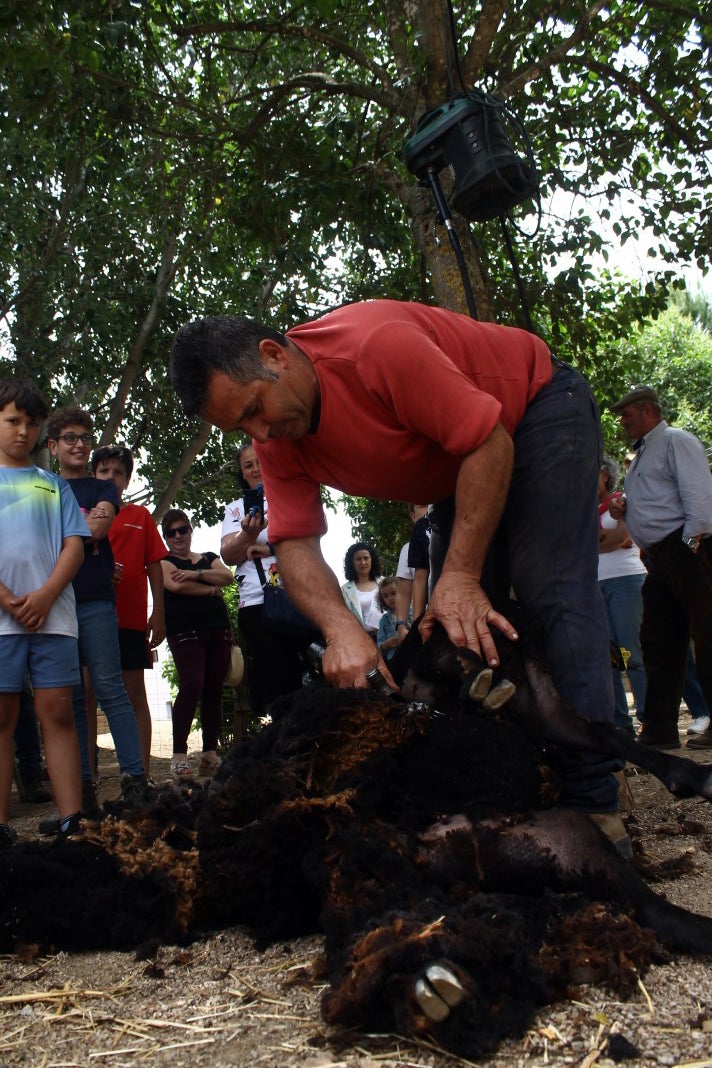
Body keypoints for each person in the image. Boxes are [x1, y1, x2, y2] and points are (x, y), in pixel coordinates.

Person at [169, 301, 620, 826]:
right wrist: (342, 631)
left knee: (550, 585)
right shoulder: (276, 439)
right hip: (461, 462)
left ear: (275, 355)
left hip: (537, 408)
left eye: (253, 409)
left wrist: (460, 575)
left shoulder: (376, 349)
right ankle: (533, 786)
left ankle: (593, 802)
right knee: (470, 625)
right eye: (243, 428)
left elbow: (488, 440)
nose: (261, 436)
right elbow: (293, 545)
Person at [46, 408, 149, 815]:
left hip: (94, 600)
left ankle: (135, 784)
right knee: (70, 699)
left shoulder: (103, 489)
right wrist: (81, 527)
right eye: (69, 437)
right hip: (52, 605)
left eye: (85, 437)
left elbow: (97, 531)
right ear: (52, 446)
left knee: (110, 689)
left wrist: (57, 530)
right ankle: (81, 796)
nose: (79, 444)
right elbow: (79, 532)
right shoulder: (41, 487)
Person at [0, 379, 86, 845]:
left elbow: (74, 545)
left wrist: (46, 596)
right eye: (12, 420)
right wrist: (8, 599)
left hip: (53, 617)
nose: (22, 431)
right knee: (2, 712)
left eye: (31, 423)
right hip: (1, 621)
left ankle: (72, 817)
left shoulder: (52, 485)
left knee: (56, 710)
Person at [610, 385, 712, 750]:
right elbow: (657, 499)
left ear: (648, 410)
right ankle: (659, 728)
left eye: (627, 414)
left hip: (686, 548)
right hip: (659, 555)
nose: (622, 421)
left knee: (707, 634)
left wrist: (690, 548)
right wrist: (625, 507)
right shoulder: (641, 455)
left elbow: (699, 497)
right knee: (658, 640)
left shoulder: (675, 440)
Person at [90, 445, 167, 775]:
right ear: (93, 475)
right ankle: (87, 781)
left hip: (131, 621)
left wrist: (160, 613)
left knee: (135, 694)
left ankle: (141, 777)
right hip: (89, 617)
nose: (110, 477)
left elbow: (154, 565)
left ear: (127, 479)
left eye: (118, 472)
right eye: (104, 471)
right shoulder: (80, 514)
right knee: (87, 697)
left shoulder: (140, 516)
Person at [220, 444, 306, 717]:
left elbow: (310, 539)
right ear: (242, 474)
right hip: (258, 603)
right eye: (248, 465)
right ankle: (285, 746)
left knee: (308, 673)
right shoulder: (235, 510)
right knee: (277, 679)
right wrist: (247, 535)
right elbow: (228, 554)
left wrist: (270, 548)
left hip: (300, 595)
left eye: (259, 462)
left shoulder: (289, 497)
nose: (256, 469)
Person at [161, 509, 234, 781]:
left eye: (182, 530)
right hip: (184, 631)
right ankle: (179, 756)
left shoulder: (209, 558)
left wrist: (193, 574)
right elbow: (175, 587)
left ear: (190, 530)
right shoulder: (164, 562)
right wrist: (209, 587)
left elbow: (226, 577)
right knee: (192, 685)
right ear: (166, 537)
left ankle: (209, 755)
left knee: (214, 690)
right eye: (171, 532)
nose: (178, 536)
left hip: (217, 630)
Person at [597, 454, 647, 734]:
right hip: (595, 585)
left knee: (632, 653)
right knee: (607, 658)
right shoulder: (583, 510)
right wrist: (603, 541)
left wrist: (597, 541)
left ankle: (650, 720)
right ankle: (620, 726)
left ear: (605, 474)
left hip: (626, 579)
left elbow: (621, 538)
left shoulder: (622, 501)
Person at [394, 504, 428, 639]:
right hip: (423, 623)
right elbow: (403, 593)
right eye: (423, 505)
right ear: (413, 517)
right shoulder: (407, 549)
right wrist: (401, 625)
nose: (429, 510)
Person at [341, 542, 383, 636]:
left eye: (366, 558)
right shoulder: (344, 591)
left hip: (389, 637)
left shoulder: (384, 582)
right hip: (362, 640)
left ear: (372, 560)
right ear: (352, 563)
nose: (363, 562)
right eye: (358, 559)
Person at [376, 576, 399, 662]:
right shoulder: (384, 619)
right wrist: (386, 644)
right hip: (393, 660)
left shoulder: (413, 612)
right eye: (385, 596)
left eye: (393, 593)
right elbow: (379, 643)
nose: (390, 598)